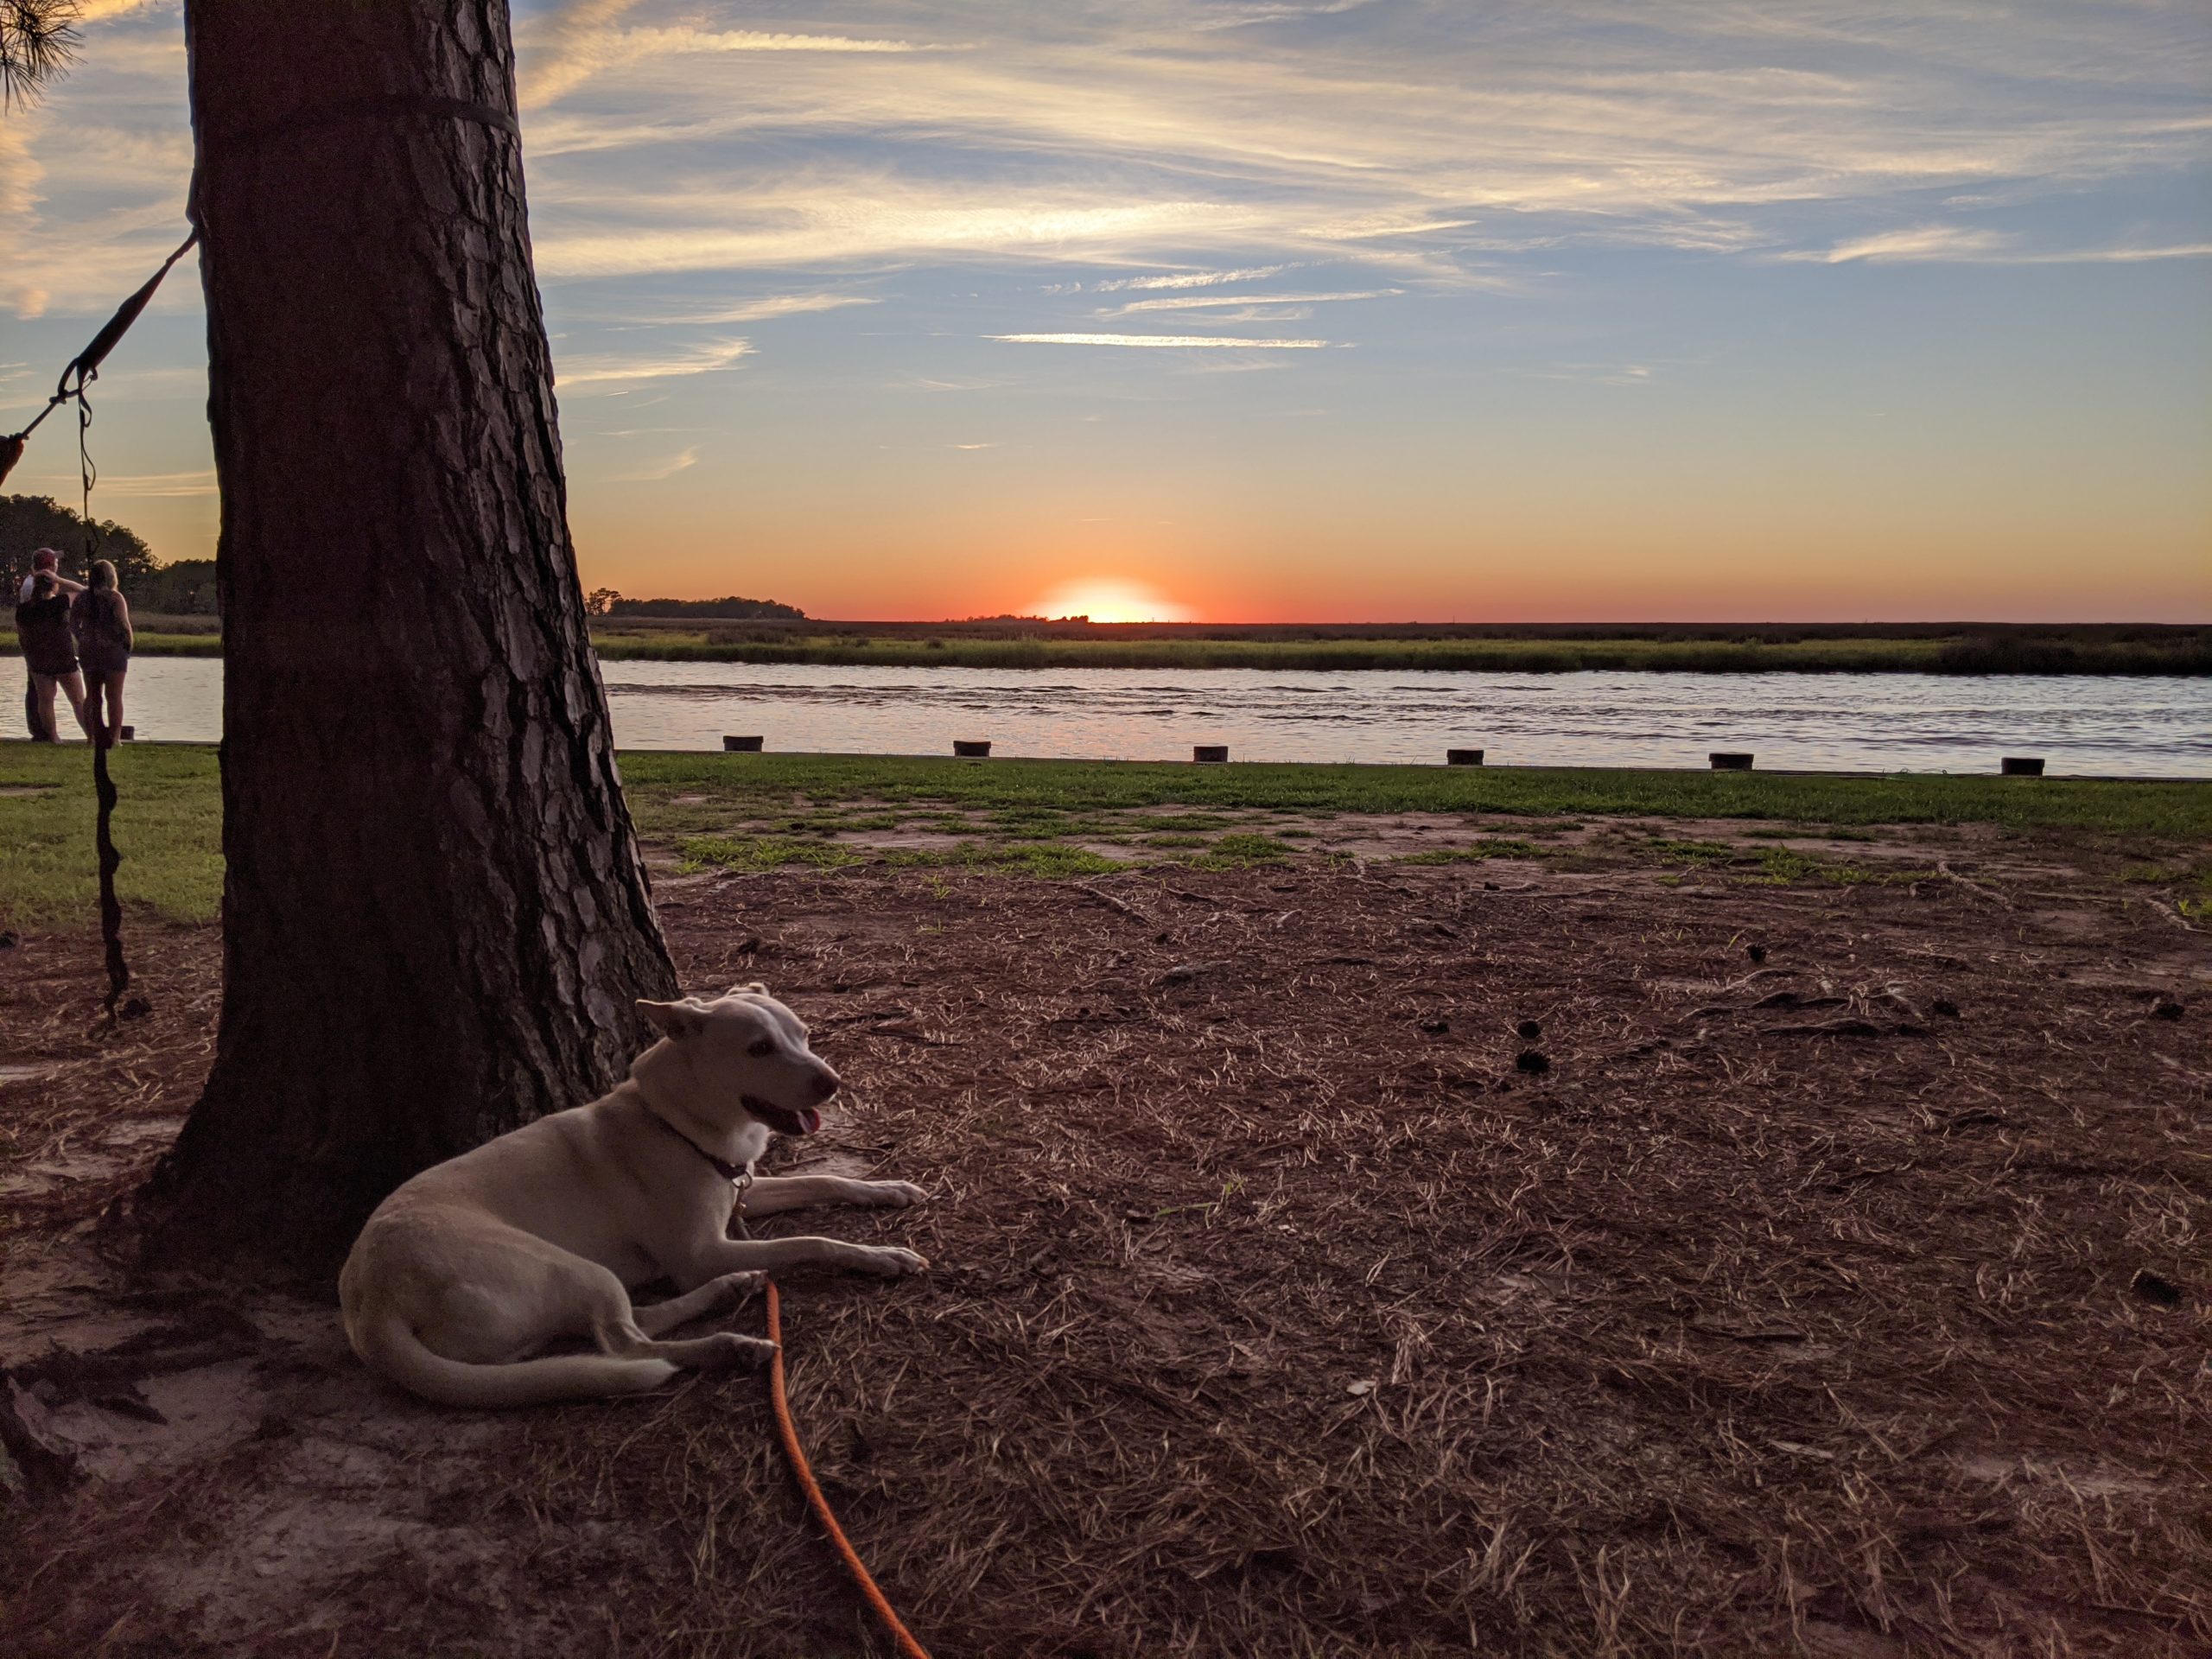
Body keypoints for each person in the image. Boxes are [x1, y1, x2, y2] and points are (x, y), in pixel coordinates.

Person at [15, 569, 92, 742]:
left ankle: (54, 737)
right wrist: (61, 578)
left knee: (46, 701)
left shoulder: (24, 610)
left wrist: (30, 657)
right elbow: (85, 592)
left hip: (39, 660)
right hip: (63, 658)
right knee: (79, 700)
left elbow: (22, 636)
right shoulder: (60, 603)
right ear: (53, 585)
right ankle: (91, 736)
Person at [73, 558, 135, 747]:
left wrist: (82, 637)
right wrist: (128, 646)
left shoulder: (82, 598)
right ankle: (115, 738)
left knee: (92, 696)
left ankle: (92, 737)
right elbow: (124, 625)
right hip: (113, 651)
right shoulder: (115, 598)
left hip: (89, 648)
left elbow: (73, 624)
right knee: (114, 697)